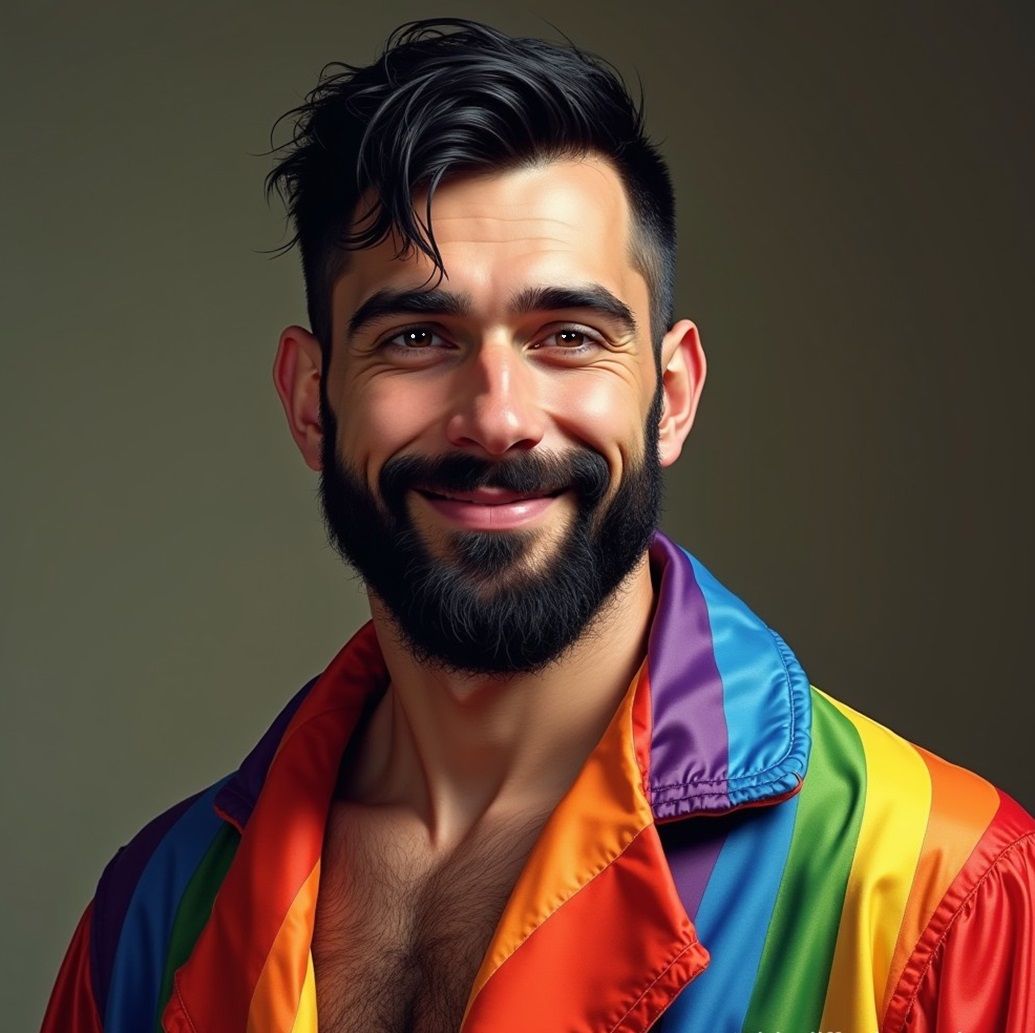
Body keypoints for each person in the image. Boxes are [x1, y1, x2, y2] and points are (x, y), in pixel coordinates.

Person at [41, 16, 1033, 1033]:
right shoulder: (151, 919)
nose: (500, 415)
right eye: (418, 336)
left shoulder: (945, 890)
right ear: (310, 399)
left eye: (569, 336)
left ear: (673, 394)